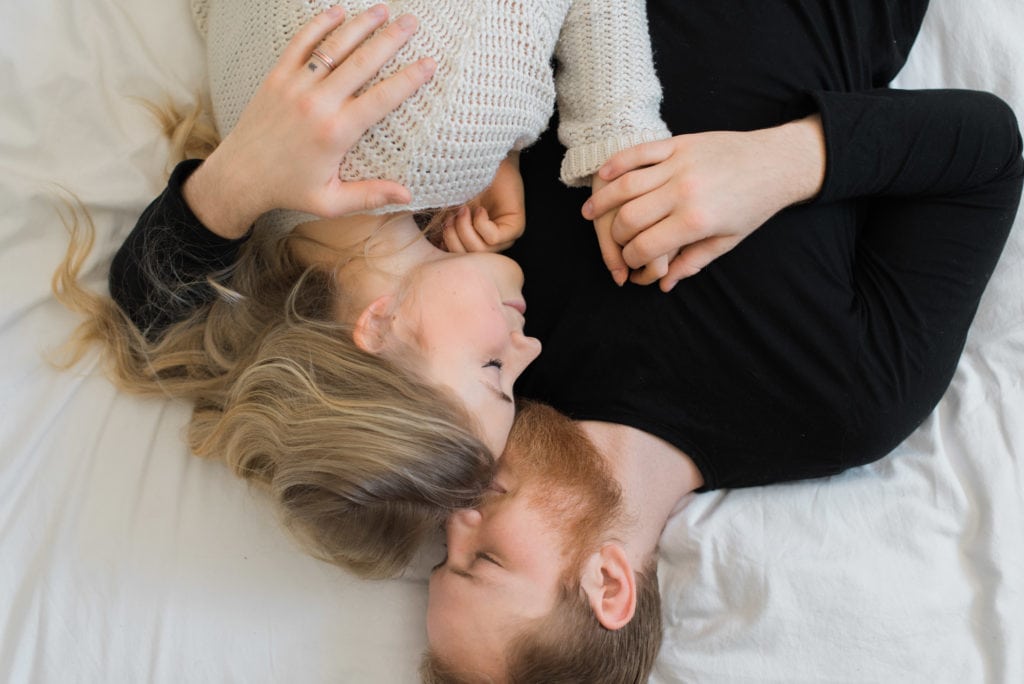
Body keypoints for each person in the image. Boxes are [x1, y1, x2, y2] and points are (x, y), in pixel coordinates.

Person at [421, 0, 1024, 680]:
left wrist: (480, 163)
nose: (455, 521)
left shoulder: (498, 350)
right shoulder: (843, 405)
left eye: (444, 558)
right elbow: (987, 154)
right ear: (609, 582)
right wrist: (777, 164)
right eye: (485, 560)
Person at [56, 0, 669, 578]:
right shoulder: (259, 232)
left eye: (492, 369)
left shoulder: (455, 124)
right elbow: (145, 304)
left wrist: (622, 146)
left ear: (376, 325)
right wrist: (499, 150)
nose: (528, 351)